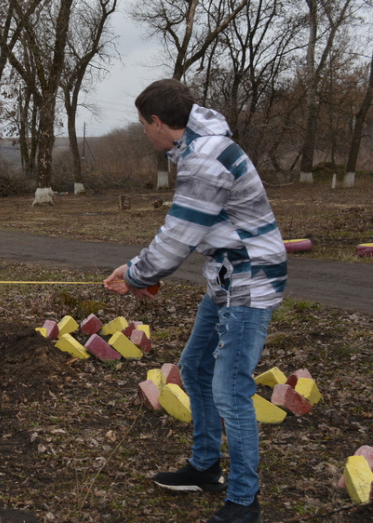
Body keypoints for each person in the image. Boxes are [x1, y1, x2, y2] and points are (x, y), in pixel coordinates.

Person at [103, 79, 287, 523]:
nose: (145, 134)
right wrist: (138, 269)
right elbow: (191, 231)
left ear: (159, 122)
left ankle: (244, 502)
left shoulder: (204, 159)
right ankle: (205, 467)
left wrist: (136, 274)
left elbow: (178, 235)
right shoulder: (198, 146)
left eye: (144, 125)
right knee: (197, 368)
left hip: (249, 279)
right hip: (227, 276)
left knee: (230, 388)